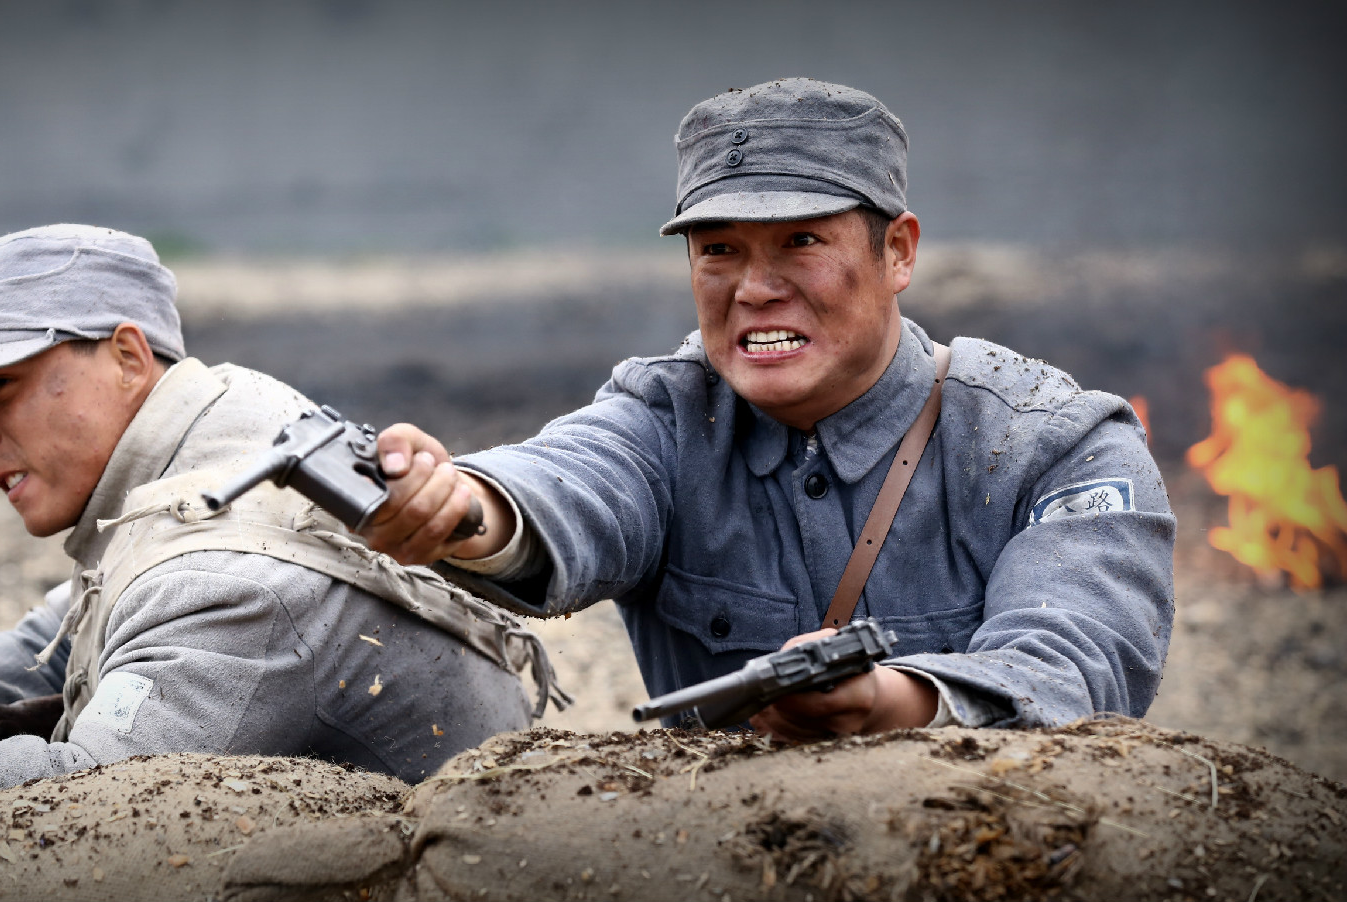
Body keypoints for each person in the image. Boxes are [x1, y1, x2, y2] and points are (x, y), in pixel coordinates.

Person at [361, 78, 1175, 740]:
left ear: (898, 251)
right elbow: (572, 481)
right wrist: (456, 504)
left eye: (801, 242)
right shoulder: (670, 414)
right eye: (720, 250)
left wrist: (886, 702)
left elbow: (1075, 664)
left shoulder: (1056, 443)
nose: (754, 289)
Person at [0, 225, 553, 824]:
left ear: (130, 357)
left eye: (4, 387)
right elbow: (58, 637)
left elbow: (82, 797)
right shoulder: (223, 437)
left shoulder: (226, 577)